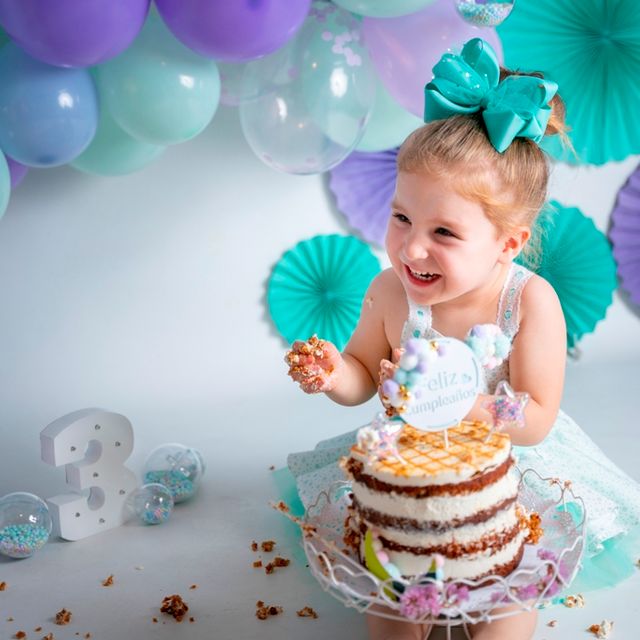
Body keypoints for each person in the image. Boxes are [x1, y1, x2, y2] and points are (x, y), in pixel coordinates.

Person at [284, 38, 640, 640]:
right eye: (402, 218)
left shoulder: (527, 303)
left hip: (511, 478)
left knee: (506, 592)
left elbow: (536, 417)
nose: (411, 248)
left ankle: (502, 609)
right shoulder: (389, 291)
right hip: (408, 477)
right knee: (393, 598)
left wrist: (464, 406)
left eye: (443, 231)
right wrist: (333, 375)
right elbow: (364, 373)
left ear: (508, 243)